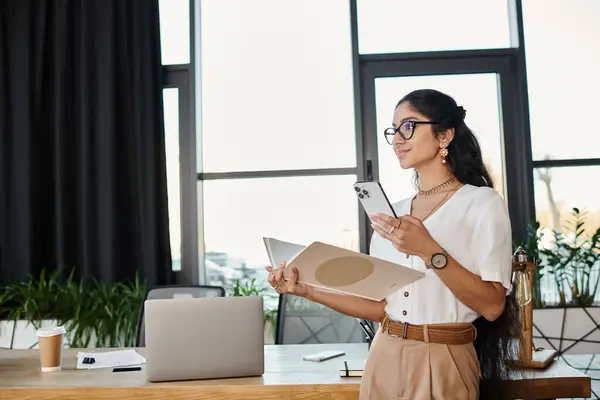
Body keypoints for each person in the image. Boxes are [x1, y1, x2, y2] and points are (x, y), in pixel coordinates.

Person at [266, 89, 523, 400]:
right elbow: (382, 308)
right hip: (384, 355)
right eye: (394, 130)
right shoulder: (392, 214)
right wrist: (307, 290)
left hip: (443, 358)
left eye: (408, 126)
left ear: (444, 135)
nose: (398, 139)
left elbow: (493, 306)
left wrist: (430, 251)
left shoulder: (481, 203)